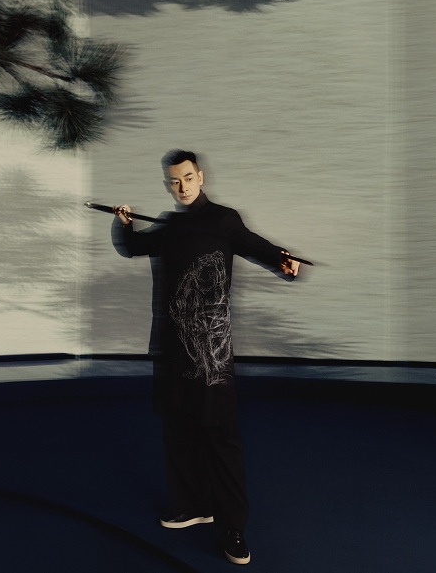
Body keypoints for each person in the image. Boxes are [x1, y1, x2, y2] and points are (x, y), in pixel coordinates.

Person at [111, 149, 300, 566]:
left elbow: (256, 246)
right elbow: (133, 247)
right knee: (179, 429)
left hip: (212, 352)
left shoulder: (223, 220)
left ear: (200, 177)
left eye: (188, 178)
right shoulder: (169, 225)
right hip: (173, 346)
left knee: (220, 436)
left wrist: (283, 260)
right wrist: (123, 222)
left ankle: (233, 527)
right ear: (167, 184)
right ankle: (192, 506)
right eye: (173, 181)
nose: (181, 187)